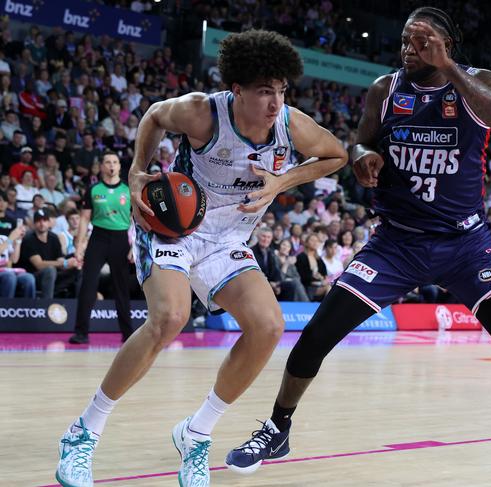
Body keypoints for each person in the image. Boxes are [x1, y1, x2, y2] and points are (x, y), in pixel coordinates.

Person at [226, 9, 491, 487]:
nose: (410, 48)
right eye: (406, 40)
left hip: (467, 245)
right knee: (317, 336)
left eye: (422, 41)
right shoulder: (385, 90)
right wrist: (364, 160)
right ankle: (278, 428)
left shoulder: (475, 82)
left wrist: (448, 68)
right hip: (396, 243)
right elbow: (360, 143)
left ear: (446, 43)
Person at [56, 29, 347, 487]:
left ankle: (196, 433)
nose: (276, 102)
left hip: (227, 239)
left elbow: (336, 154)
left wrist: (281, 182)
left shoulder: (292, 125)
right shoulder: (201, 111)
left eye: (282, 90)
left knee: (268, 326)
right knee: (170, 317)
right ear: (237, 90)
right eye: (265, 92)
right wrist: (135, 173)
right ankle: (82, 432)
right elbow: (153, 116)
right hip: (175, 225)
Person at [68, 151, 134, 344]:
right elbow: (84, 219)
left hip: (121, 239)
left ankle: (128, 334)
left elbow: (136, 220)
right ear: (102, 166)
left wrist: (134, 247)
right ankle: (81, 333)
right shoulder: (94, 189)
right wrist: (79, 245)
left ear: (120, 167)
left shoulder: (127, 190)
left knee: (121, 288)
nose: (112, 165)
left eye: (115, 162)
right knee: (88, 285)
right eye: (107, 162)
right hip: (98, 238)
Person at [17, 207, 80, 298]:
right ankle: (47, 304)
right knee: (50, 270)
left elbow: (60, 259)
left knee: (78, 268)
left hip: (53, 276)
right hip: (33, 277)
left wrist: (70, 263)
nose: (42, 223)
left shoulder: (54, 237)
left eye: (45, 220)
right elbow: (39, 265)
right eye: (38, 221)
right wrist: (64, 263)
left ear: (49, 223)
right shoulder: (29, 239)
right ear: (34, 224)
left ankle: (77, 304)